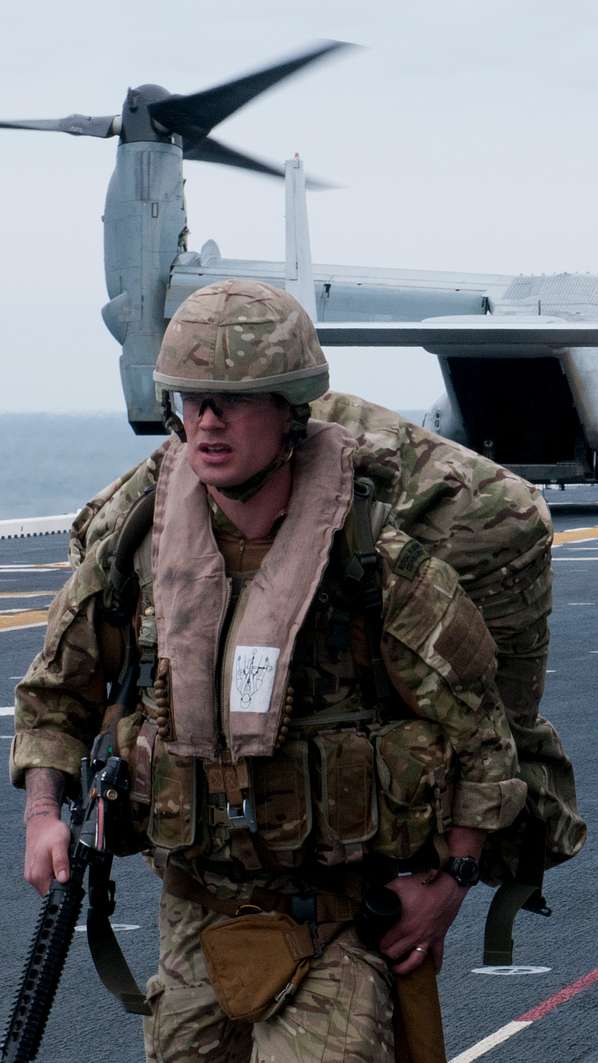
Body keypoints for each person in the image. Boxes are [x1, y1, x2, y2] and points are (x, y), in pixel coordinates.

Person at [13, 280, 527, 1061]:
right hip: (193, 919)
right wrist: (43, 814)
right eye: (192, 398)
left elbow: (483, 738)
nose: (208, 419)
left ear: (290, 411)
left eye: (234, 398)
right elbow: (55, 695)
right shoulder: (142, 548)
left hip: (332, 923)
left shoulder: (371, 561)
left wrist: (448, 886)